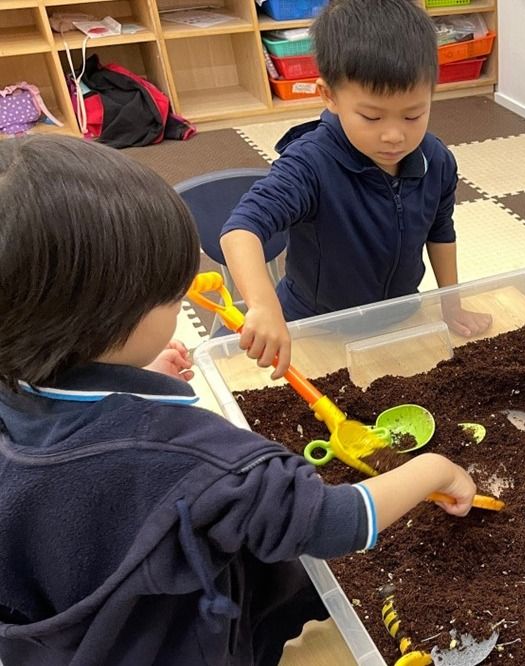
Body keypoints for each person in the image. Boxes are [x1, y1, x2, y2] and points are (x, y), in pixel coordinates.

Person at [0, 135, 478, 666]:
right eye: (169, 292)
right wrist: (435, 470)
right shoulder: (205, 461)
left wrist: (124, 376)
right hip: (181, 643)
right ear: (112, 321)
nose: (183, 295)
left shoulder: (12, 394)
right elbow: (331, 521)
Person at [221, 0, 490, 381]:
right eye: (372, 116)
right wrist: (264, 308)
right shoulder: (310, 164)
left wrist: (452, 304)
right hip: (316, 327)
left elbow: (441, 232)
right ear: (328, 95)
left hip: (399, 317)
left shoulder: (436, 160)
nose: (395, 135)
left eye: (413, 114)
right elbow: (241, 230)